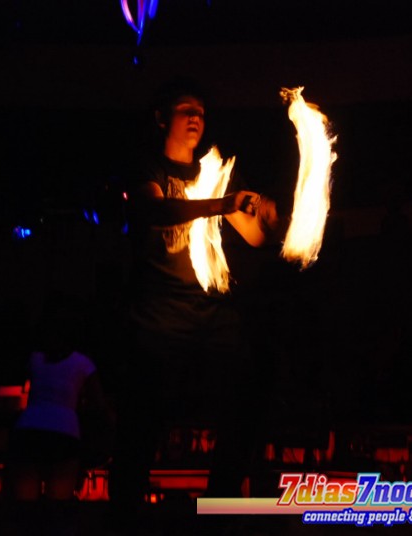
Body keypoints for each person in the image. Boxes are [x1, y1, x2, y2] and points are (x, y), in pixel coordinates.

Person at [107, 77, 280, 534]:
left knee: (245, 399)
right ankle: (124, 515)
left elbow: (254, 236)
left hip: (212, 313)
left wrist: (267, 217)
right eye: (186, 109)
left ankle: (220, 507)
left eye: (201, 111)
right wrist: (221, 203)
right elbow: (155, 212)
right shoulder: (146, 166)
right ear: (161, 118)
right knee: (143, 418)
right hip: (158, 312)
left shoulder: (216, 169)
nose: (196, 117)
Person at [6, 293, 111, 536]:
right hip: (64, 432)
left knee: (25, 509)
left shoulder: (34, 358)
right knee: (59, 508)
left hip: (28, 430)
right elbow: (99, 405)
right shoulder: (83, 363)